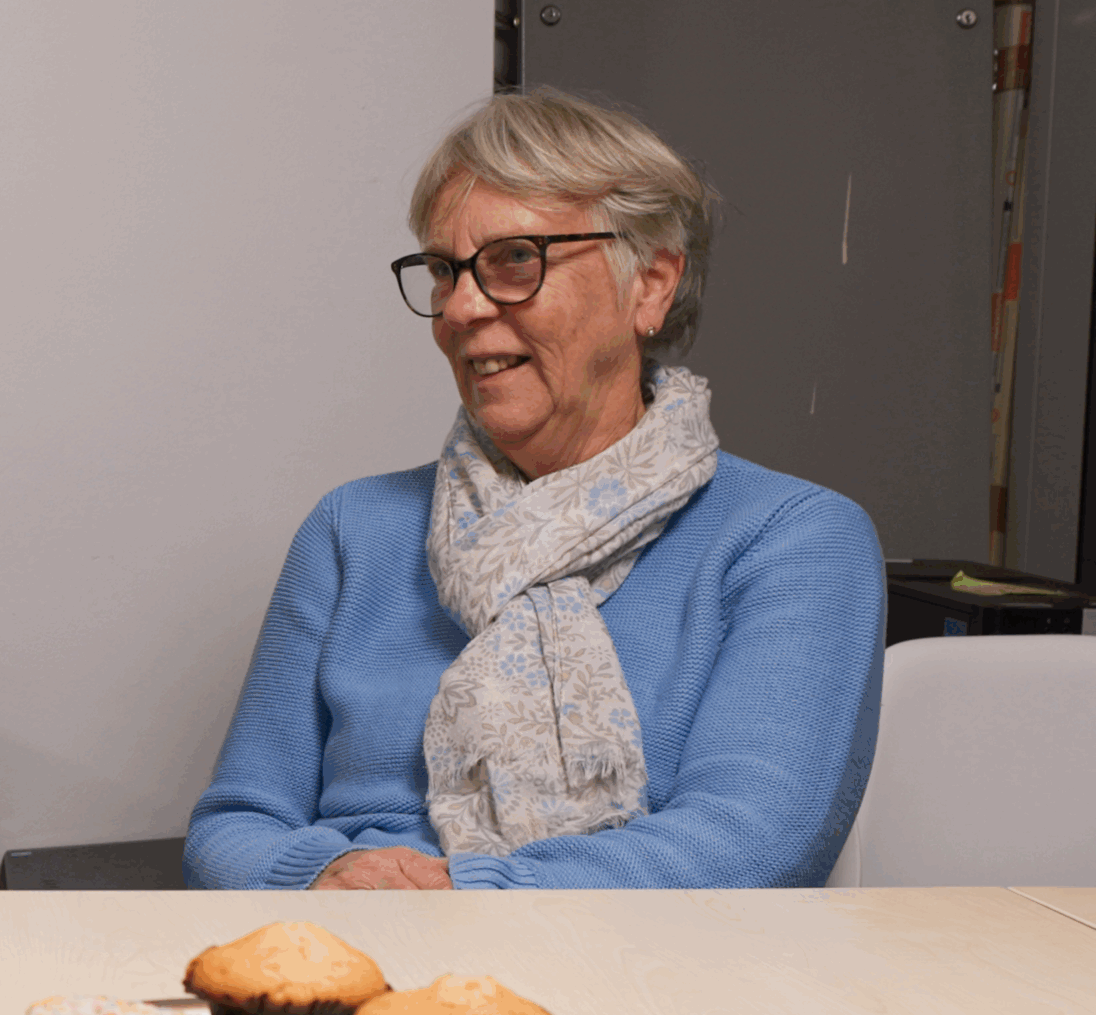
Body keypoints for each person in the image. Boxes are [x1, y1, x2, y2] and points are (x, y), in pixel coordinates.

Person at [185, 88, 884, 891]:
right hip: (355, 960)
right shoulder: (354, 529)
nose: (461, 309)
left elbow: (750, 844)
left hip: (649, 983)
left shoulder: (791, 538)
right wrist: (327, 875)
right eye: (445, 271)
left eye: (515, 260)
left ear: (650, 284)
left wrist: (463, 901)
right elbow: (234, 825)